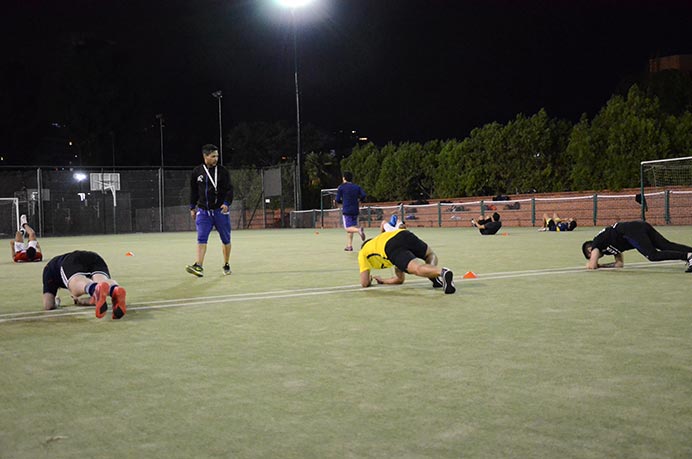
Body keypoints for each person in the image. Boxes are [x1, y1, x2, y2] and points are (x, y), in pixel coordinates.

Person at [357, 222, 456, 294]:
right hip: (403, 234)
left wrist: (370, 280)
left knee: (417, 268)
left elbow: (364, 283)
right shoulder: (379, 239)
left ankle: (442, 272)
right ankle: (433, 275)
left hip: (390, 246)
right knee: (430, 254)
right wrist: (383, 281)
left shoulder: (363, 252)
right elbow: (399, 280)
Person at [186, 144, 234, 277]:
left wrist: (226, 203)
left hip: (220, 211)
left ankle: (226, 264)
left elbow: (230, 189)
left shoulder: (223, 171)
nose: (216, 159)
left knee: (226, 239)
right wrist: (192, 207)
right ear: (205, 156)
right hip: (203, 212)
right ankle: (199, 266)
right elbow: (194, 191)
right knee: (201, 238)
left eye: (217, 156)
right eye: (213, 156)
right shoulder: (197, 172)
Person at [42, 250, 127, 319]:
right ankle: (114, 290)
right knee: (102, 282)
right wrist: (81, 301)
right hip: (94, 257)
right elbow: (96, 298)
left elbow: (48, 305)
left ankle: (94, 288)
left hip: (71, 260)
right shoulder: (100, 291)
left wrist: (57, 302)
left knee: (76, 287)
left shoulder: (49, 270)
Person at [582, 220, 692, 272]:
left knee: (652, 255)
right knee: (665, 245)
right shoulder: (607, 248)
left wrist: (593, 263)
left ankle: (688, 256)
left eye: (590, 255)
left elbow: (592, 265)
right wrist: (601, 266)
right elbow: (619, 264)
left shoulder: (597, 242)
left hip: (631, 231)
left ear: (590, 250)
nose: (594, 257)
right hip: (638, 226)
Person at [335, 171, 367, 251]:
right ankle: (349, 246)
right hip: (355, 210)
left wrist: (342, 202)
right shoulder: (357, 187)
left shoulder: (341, 187)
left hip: (347, 210)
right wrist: (359, 200)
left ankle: (358, 230)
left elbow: (337, 199)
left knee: (348, 228)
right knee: (351, 227)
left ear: (344, 178)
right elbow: (363, 195)